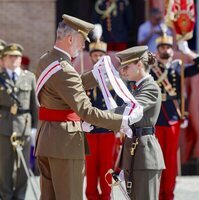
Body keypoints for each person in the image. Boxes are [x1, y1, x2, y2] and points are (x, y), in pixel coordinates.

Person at [34, 14, 143, 200]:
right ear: (70, 39)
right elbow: (86, 110)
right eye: (82, 40)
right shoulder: (65, 69)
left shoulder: (47, 60)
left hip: (47, 139)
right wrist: (123, 120)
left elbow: (66, 88)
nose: (84, 45)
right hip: (65, 144)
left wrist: (94, 74)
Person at [150, 34, 199, 200]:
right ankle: (156, 193)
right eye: (162, 47)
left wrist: (188, 52)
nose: (165, 50)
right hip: (155, 118)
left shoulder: (179, 68)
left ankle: (168, 194)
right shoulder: (151, 69)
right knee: (155, 159)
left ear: (173, 50)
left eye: (168, 47)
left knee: (170, 159)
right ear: (157, 51)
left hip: (172, 117)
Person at [115, 46, 165, 200]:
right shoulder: (138, 88)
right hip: (136, 152)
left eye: (126, 67)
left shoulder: (150, 87)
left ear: (139, 65)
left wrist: (94, 117)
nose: (123, 71)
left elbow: (128, 110)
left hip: (145, 154)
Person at [85, 24, 122, 200]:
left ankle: (107, 197)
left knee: (107, 169)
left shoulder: (113, 79)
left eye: (101, 55)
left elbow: (120, 104)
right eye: (95, 55)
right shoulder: (85, 78)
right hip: (90, 131)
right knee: (91, 171)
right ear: (91, 57)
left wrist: (119, 126)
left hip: (107, 131)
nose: (98, 58)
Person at [0, 43, 38, 199]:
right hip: (4, 127)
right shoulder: (0, 78)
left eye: (17, 56)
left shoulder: (29, 77)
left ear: (21, 58)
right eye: (10, 56)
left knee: (23, 167)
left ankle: (20, 195)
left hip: (24, 127)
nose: (14, 59)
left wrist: (35, 128)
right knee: (5, 166)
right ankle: (6, 195)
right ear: (4, 59)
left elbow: (34, 105)